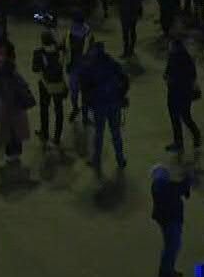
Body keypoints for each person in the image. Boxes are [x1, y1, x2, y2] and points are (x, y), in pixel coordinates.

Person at [75, 39, 130, 174]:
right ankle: (120, 159)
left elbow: (84, 87)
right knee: (116, 133)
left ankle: (96, 160)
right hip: (114, 103)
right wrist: (121, 96)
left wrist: (87, 104)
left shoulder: (90, 67)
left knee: (98, 134)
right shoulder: (113, 64)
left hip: (99, 105)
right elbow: (125, 80)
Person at [152, 164, 193, 277]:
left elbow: (180, 189)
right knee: (172, 246)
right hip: (170, 219)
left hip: (168, 219)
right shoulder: (163, 186)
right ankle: (166, 272)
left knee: (171, 245)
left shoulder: (160, 185)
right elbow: (179, 189)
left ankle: (168, 269)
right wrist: (188, 179)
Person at [164, 37, 203, 155]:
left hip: (175, 92)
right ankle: (196, 136)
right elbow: (192, 75)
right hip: (185, 92)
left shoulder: (173, 58)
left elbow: (168, 74)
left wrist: (168, 78)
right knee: (186, 116)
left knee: (176, 118)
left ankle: (179, 143)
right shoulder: (187, 58)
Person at [31, 30, 69, 148]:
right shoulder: (59, 51)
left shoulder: (38, 53)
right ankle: (57, 137)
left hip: (45, 85)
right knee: (58, 110)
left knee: (44, 109)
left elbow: (35, 69)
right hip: (58, 84)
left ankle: (45, 132)